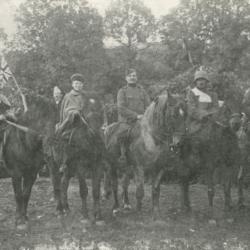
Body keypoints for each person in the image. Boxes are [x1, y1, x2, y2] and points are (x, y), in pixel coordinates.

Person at [116, 68, 150, 163]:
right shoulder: (122, 91)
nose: (132, 78)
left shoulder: (142, 91)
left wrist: (145, 115)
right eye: (130, 76)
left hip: (142, 120)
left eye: (134, 76)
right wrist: (136, 116)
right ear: (126, 78)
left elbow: (148, 105)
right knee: (122, 135)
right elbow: (121, 108)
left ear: (137, 77)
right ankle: (123, 155)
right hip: (127, 121)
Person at [56, 73, 88, 172]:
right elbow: (63, 110)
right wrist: (63, 121)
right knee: (64, 139)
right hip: (70, 122)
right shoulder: (68, 96)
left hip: (83, 121)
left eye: (80, 84)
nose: (78, 85)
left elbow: (87, 108)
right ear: (72, 85)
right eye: (76, 83)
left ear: (82, 85)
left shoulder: (85, 96)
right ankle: (63, 162)